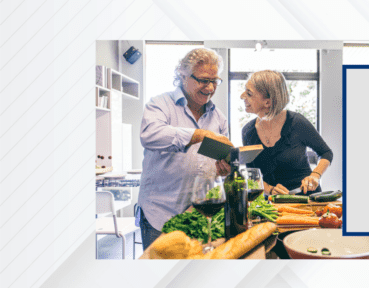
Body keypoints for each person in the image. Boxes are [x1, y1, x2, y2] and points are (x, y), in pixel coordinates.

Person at [138, 48, 233, 250]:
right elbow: (150, 135)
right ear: (182, 75)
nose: (210, 88)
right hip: (160, 215)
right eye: (203, 80)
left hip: (200, 215)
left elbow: (218, 168)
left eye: (215, 81)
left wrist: (224, 170)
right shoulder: (160, 104)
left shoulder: (219, 118)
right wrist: (198, 134)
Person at [240, 70, 333, 195]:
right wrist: (271, 190)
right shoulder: (248, 132)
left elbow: (326, 153)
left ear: (268, 102)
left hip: (306, 199)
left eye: (249, 94)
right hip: (274, 204)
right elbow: (252, 175)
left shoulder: (297, 122)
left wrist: (315, 175)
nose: (242, 96)